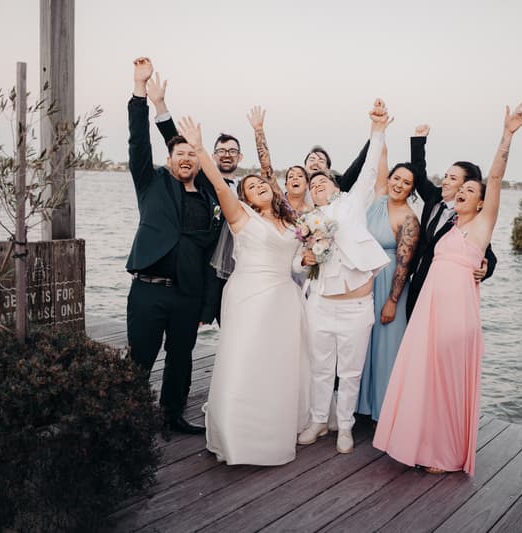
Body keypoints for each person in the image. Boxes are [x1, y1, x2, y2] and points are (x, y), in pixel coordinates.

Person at [373, 104, 522, 476]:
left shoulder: (480, 227)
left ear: (480, 199)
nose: (461, 191)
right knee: (422, 378)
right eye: (460, 187)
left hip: (454, 316)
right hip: (427, 310)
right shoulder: (447, 222)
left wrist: (507, 135)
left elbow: (494, 178)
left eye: (471, 189)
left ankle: (444, 453)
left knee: (445, 382)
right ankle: (417, 441)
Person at [176, 115, 310, 466]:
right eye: (251, 186)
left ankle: (269, 433)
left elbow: (296, 266)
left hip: (284, 299)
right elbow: (220, 187)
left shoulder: (290, 222)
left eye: (261, 184)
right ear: (245, 198)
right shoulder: (242, 218)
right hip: (249, 294)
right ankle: (234, 436)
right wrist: (202, 148)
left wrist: (310, 257)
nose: (259, 186)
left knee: (275, 366)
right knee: (244, 359)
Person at [124, 57, 223, 441]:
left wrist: (205, 304)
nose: (186, 159)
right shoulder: (151, 183)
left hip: (187, 293)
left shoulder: (210, 195)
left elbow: (213, 254)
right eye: (178, 154)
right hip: (148, 288)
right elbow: (137, 140)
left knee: (181, 359)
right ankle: (129, 416)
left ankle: (172, 416)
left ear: (199, 162)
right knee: (140, 359)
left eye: (192, 155)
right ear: (169, 159)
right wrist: (140, 91)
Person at [296, 100, 391, 454]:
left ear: (335, 186)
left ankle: (345, 427)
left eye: (323, 180)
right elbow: (297, 267)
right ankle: (319, 420)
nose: (318, 184)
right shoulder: (305, 222)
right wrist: (304, 259)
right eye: (313, 183)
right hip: (319, 305)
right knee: (320, 368)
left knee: (349, 373)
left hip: (355, 308)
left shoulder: (352, 204)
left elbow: (368, 169)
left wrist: (377, 130)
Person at [147, 73, 243, 285]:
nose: (227, 154)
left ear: (240, 156)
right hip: (208, 266)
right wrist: (160, 105)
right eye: (221, 150)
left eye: (232, 150)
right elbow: (174, 143)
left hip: (244, 266)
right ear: (212, 156)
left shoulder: (249, 188)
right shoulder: (205, 182)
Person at [356, 119, 422, 422]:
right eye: (397, 178)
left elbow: (405, 266)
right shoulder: (380, 197)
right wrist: (380, 128)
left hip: (389, 285)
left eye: (406, 183)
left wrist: (393, 301)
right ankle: (361, 406)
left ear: (412, 189)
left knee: (386, 350)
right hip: (363, 280)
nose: (398, 184)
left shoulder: (409, 219)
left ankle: (386, 413)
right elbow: (380, 159)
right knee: (362, 344)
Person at [405, 125, 497, 320]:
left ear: (466, 185)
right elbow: (419, 172)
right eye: (446, 176)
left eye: (452, 178)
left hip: (444, 291)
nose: (445, 181)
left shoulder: (470, 218)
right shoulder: (434, 197)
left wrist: (487, 268)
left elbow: (485, 250)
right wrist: (419, 139)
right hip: (417, 282)